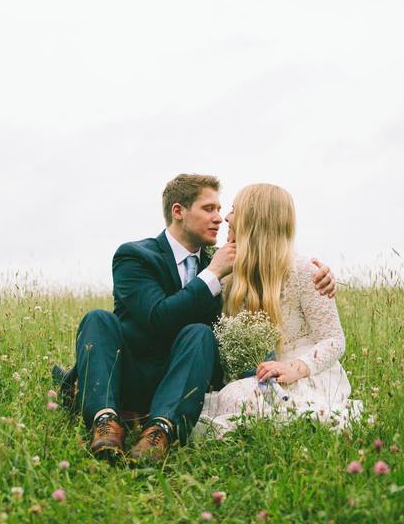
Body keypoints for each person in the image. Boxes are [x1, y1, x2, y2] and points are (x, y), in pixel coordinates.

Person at [69, 174, 336, 465]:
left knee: (199, 332)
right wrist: (212, 274)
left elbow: (267, 270)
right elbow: (158, 316)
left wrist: (326, 277)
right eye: (209, 209)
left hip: (183, 381)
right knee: (97, 319)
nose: (220, 219)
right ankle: (105, 421)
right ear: (179, 211)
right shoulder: (136, 256)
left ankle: (160, 431)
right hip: (131, 373)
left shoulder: (220, 262)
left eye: (222, 210)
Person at [194, 183, 362, 439]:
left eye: (234, 210)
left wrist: (294, 368)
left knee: (246, 400)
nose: (226, 217)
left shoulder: (305, 271)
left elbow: (334, 340)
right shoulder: (226, 269)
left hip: (304, 374)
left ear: (255, 219)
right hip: (255, 378)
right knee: (230, 397)